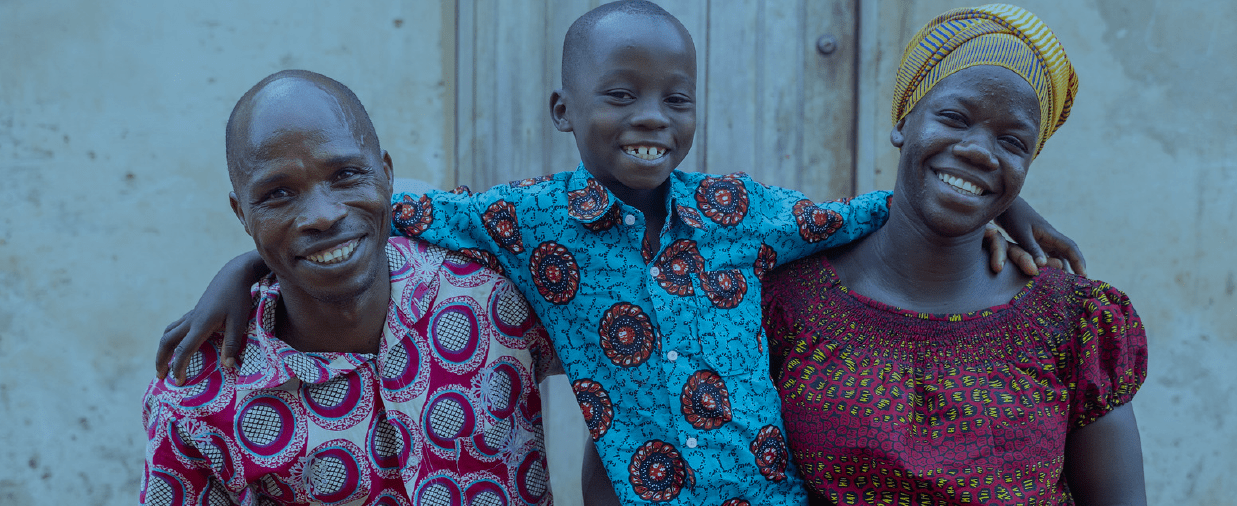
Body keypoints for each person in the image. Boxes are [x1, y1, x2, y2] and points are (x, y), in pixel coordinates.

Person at [155, 2, 1082, 504]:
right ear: (565, 112)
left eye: (675, 100)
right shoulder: (526, 226)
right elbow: (384, 212)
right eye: (620, 95)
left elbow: (883, 208)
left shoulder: (743, 215)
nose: (650, 119)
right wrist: (247, 265)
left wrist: (1005, 190)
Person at [762, 5, 1147, 505]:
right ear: (904, 119)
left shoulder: (1074, 323)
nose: (980, 151)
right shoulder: (786, 303)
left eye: (1011, 141)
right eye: (953, 117)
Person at [140, 70, 558, 505]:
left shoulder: (496, 296)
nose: (322, 214)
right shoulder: (195, 403)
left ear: (387, 173)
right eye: (279, 193)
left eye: (345, 175)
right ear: (242, 213)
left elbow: (627, 364)